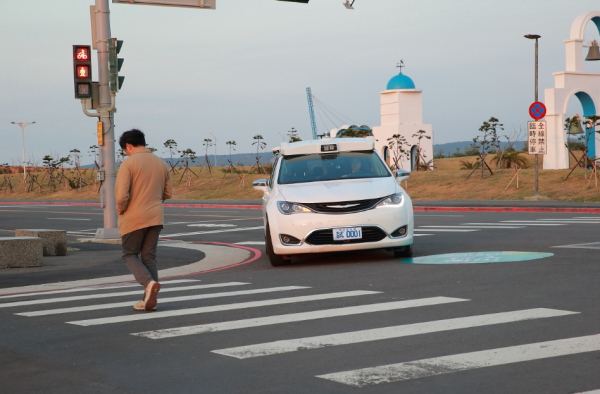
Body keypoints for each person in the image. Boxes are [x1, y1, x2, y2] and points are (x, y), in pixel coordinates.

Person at [115, 129, 172, 312]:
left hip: (134, 217)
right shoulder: (161, 163)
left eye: (125, 149)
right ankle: (148, 297)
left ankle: (148, 283)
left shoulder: (128, 163)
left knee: (129, 254)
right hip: (156, 216)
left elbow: (121, 196)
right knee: (149, 257)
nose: (126, 152)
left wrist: (120, 211)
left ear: (129, 146)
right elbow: (168, 193)